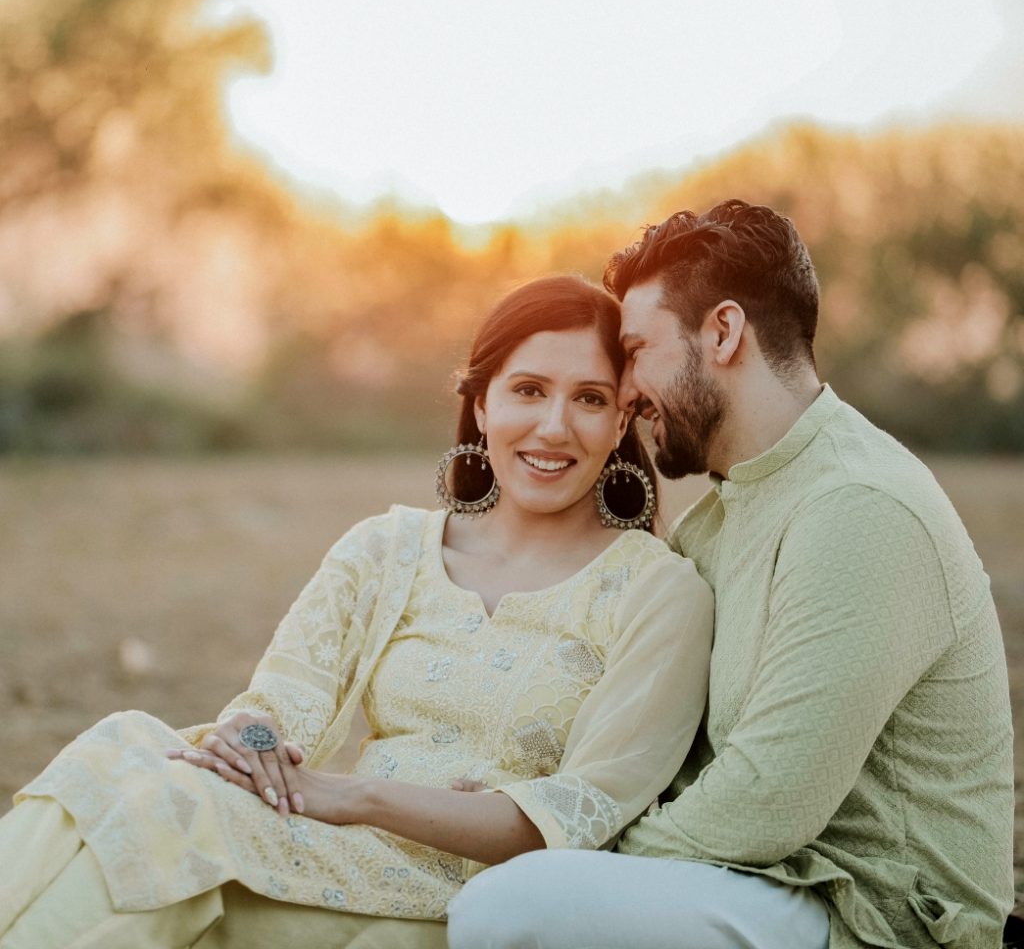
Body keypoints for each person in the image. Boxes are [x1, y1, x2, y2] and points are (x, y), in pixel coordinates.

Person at [0, 275, 714, 949]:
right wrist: (249, 739)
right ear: (484, 402)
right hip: (319, 844)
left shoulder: (658, 593)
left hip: (472, 892)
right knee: (128, 752)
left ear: (623, 416)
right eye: (529, 389)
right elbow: (277, 711)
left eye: (589, 398)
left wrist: (359, 796)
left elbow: (579, 815)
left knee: (149, 822)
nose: (555, 426)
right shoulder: (387, 548)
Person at [447, 201, 1015, 949]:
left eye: (639, 349)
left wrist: (577, 851)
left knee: (513, 906)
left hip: (877, 916)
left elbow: (768, 799)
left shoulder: (858, 508)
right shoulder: (716, 520)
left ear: (723, 332)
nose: (626, 391)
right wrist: (526, 805)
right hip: (766, 884)